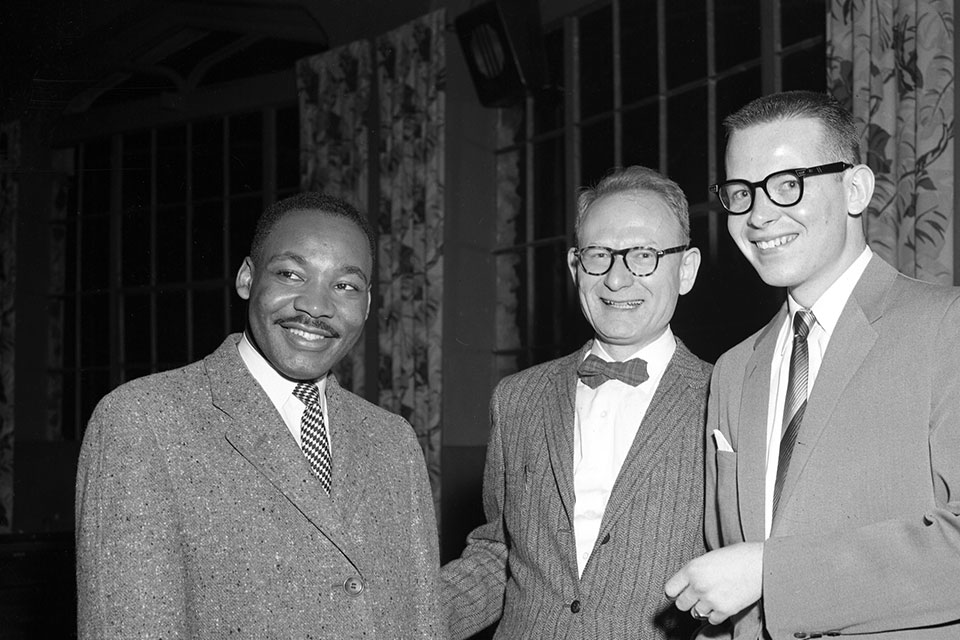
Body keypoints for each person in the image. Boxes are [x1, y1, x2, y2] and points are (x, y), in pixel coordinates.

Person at [76, 192, 444, 639]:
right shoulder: (142, 422)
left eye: (345, 285)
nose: (316, 306)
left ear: (366, 305)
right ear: (248, 278)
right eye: (291, 274)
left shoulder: (395, 441)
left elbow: (424, 623)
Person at [665, 90, 960, 639]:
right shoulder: (731, 371)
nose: (758, 215)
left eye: (787, 185)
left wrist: (771, 573)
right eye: (741, 192)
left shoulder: (948, 327)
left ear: (856, 188)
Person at [441, 166, 712, 639]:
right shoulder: (517, 399)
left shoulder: (728, 398)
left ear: (685, 269)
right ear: (575, 267)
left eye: (644, 255)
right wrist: (401, 614)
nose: (616, 279)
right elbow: (497, 555)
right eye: (599, 256)